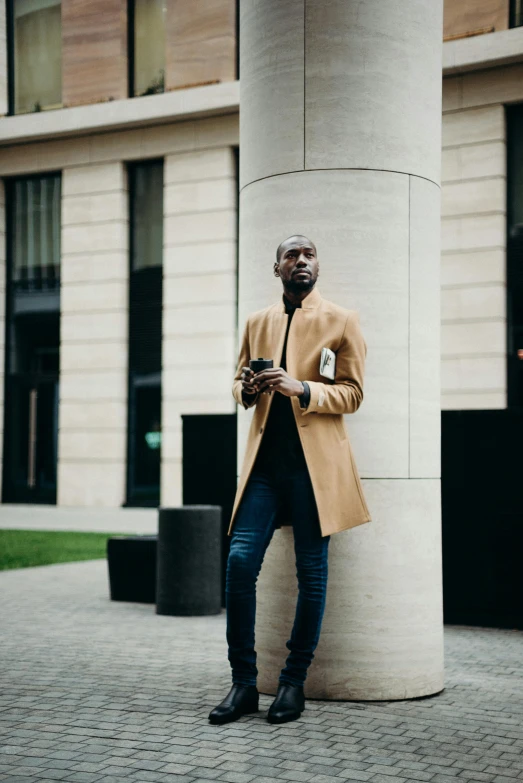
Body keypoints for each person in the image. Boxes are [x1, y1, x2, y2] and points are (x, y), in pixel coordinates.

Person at [208, 235, 371, 726]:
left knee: (312, 574)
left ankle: (292, 683)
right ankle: (243, 683)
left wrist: (301, 388)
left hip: (314, 470)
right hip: (264, 468)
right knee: (238, 565)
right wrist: (249, 387)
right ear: (276, 267)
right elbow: (237, 382)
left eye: (310, 254)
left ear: (317, 265)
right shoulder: (257, 321)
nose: (302, 261)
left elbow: (354, 394)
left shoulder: (341, 320)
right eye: (292, 255)